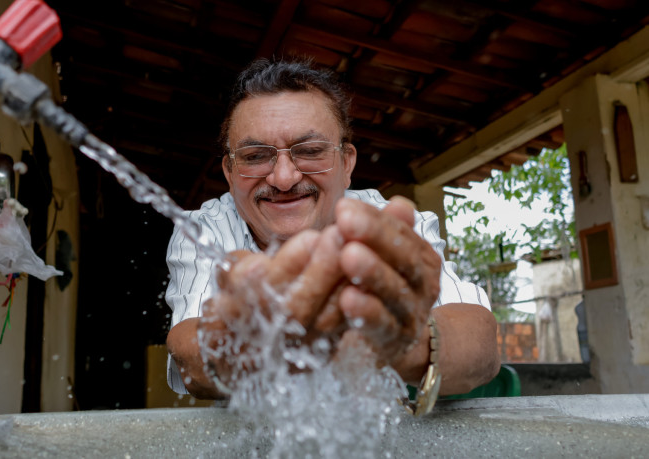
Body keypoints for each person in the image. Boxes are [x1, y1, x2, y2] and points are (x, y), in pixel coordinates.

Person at [164, 58, 500, 401]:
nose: (283, 178)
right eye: (254, 156)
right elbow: (188, 351)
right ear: (230, 172)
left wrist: (399, 344)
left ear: (347, 163)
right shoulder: (204, 229)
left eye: (310, 151)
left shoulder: (386, 221)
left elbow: (481, 344)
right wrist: (273, 341)